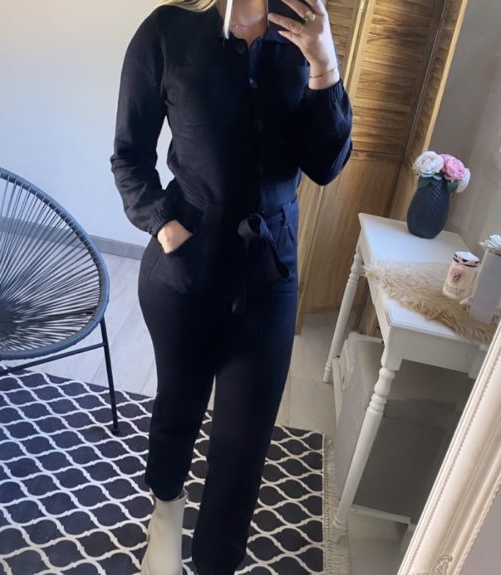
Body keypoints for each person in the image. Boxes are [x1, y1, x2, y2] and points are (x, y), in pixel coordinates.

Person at [110, 0, 352, 572]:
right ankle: (165, 511)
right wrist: (164, 225)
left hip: (270, 272)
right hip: (186, 267)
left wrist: (324, 65)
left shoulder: (304, 38)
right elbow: (129, 155)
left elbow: (325, 165)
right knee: (178, 407)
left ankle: (216, 562)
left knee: (243, 446)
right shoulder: (168, 30)